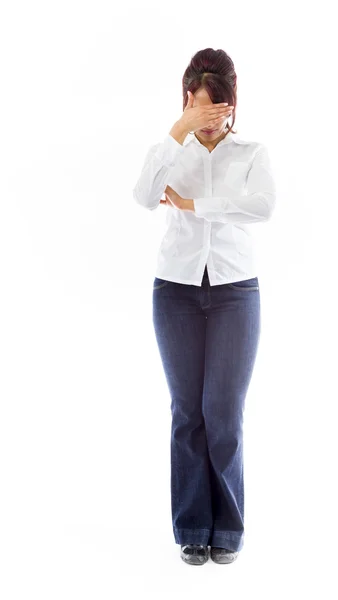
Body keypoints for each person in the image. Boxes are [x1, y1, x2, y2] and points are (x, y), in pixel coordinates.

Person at [133, 47, 276, 566]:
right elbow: (144, 195)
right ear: (187, 101)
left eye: (220, 111)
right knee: (187, 412)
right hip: (175, 291)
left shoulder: (252, 153)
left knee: (224, 413)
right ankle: (192, 526)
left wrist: (197, 206)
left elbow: (262, 206)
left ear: (234, 106)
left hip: (237, 293)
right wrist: (179, 130)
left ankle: (228, 530)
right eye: (201, 109)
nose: (212, 122)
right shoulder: (172, 149)